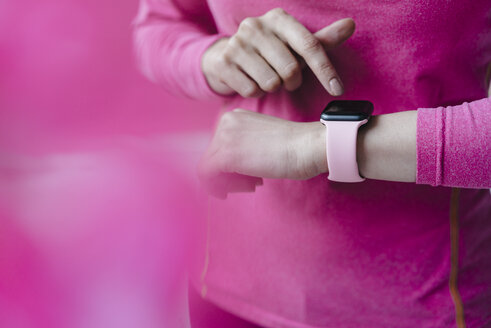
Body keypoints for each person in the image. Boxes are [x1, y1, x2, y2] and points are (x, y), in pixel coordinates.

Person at [133, 1, 491, 327]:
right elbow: (159, 27)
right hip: (227, 289)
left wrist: (311, 145)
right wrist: (216, 58)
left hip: (421, 306)